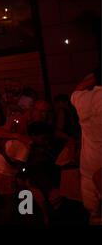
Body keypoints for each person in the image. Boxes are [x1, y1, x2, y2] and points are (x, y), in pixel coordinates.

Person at [71, 69, 102, 225]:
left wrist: (93, 78)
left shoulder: (85, 100)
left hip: (89, 168)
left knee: (94, 213)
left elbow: (77, 89)